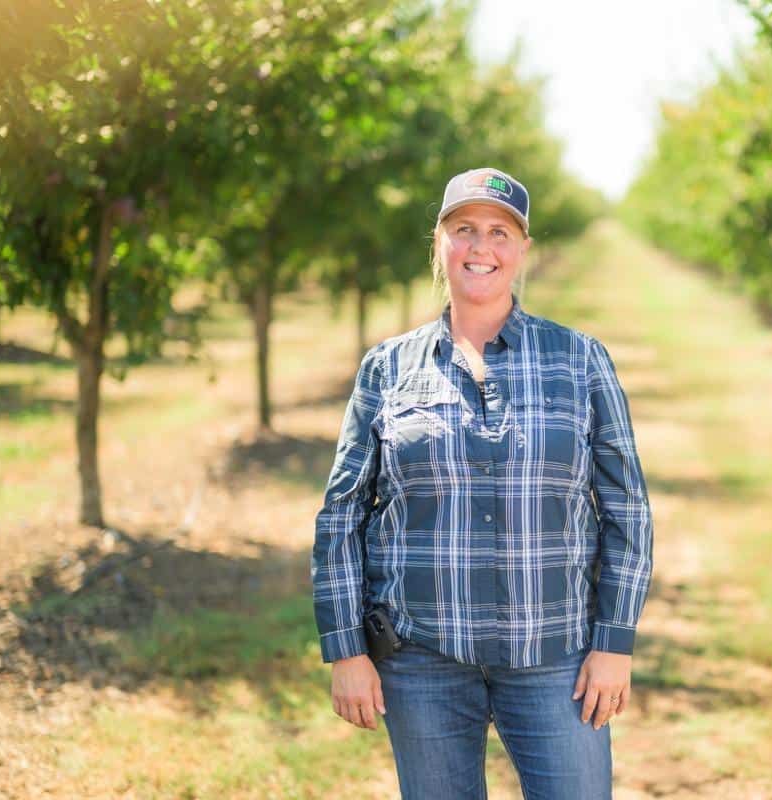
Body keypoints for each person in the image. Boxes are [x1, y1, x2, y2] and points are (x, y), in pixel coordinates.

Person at [310, 166, 654, 799]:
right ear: (439, 243)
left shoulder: (580, 360)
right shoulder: (388, 368)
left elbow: (626, 510)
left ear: (522, 250)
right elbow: (343, 515)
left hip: (557, 659)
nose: (481, 247)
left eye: (500, 232)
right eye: (463, 229)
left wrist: (615, 642)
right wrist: (345, 649)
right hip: (423, 660)